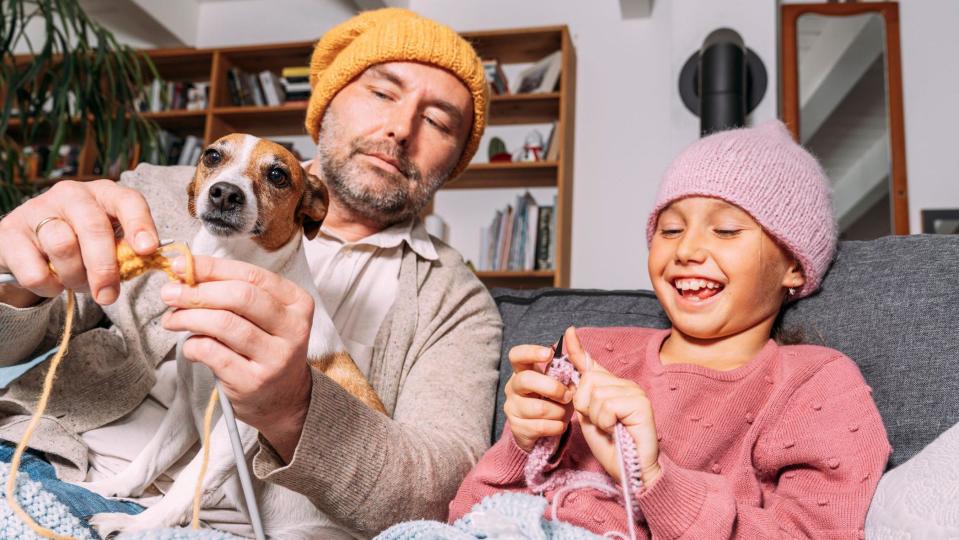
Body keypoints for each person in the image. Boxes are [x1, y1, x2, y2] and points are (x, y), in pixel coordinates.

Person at [0, 7, 502, 537]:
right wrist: (17, 274)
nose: (401, 128)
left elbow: (444, 491)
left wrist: (295, 407)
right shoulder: (159, 194)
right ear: (326, 102)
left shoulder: (454, 301)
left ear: (455, 160)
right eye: (382, 93)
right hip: (57, 463)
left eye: (438, 121)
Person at [447, 121, 891, 538]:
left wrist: (655, 478)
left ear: (794, 265)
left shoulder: (815, 384)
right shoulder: (590, 352)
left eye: (726, 229)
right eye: (670, 228)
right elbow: (464, 519)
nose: (687, 249)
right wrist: (521, 447)